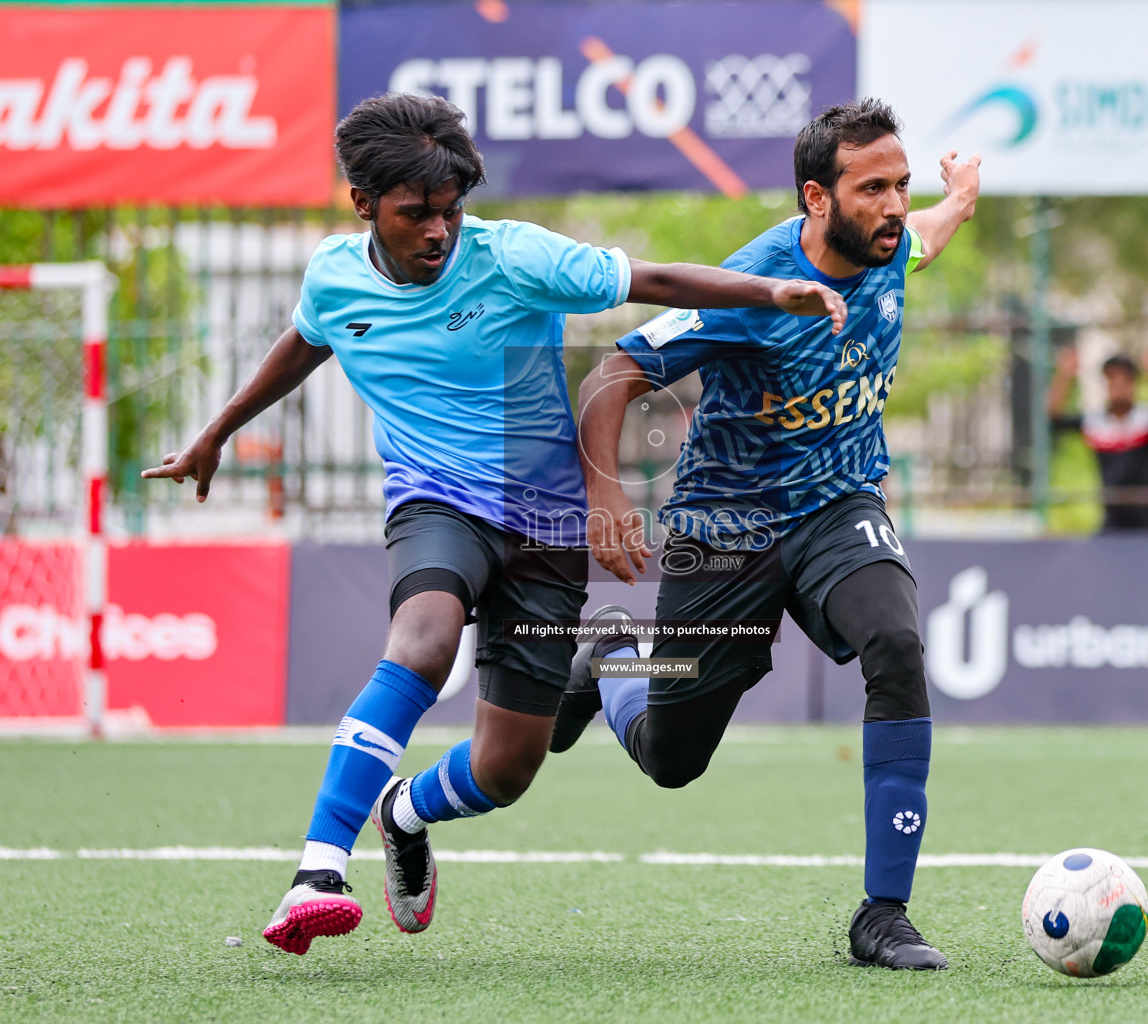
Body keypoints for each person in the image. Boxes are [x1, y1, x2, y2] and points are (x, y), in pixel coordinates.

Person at [142, 92, 847, 956]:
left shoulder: (513, 256)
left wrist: (773, 291)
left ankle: (403, 812)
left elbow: (653, 282)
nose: (438, 230)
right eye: (415, 214)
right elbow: (309, 337)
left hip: (544, 525)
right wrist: (216, 432)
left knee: (509, 767)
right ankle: (318, 870)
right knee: (423, 642)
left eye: (450, 210)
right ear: (363, 205)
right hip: (437, 502)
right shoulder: (333, 274)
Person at [554, 99, 980, 970]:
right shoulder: (750, 286)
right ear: (816, 198)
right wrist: (607, 496)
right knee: (672, 762)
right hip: (727, 530)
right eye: (873, 189)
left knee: (897, 643)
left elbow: (930, 230)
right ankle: (608, 660)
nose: (896, 205)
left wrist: (959, 197)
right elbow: (611, 376)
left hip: (840, 507)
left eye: (901, 186)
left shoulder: (892, 245)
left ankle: (883, 914)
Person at [1047, 347, 1148, 533]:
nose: (1118, 384)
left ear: (1133, 384)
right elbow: (1054, 416)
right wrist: (1064, 376)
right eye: (1112, 378)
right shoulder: (1095, 422)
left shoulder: (1144, 419)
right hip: (1113, 513)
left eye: (1124, 379)